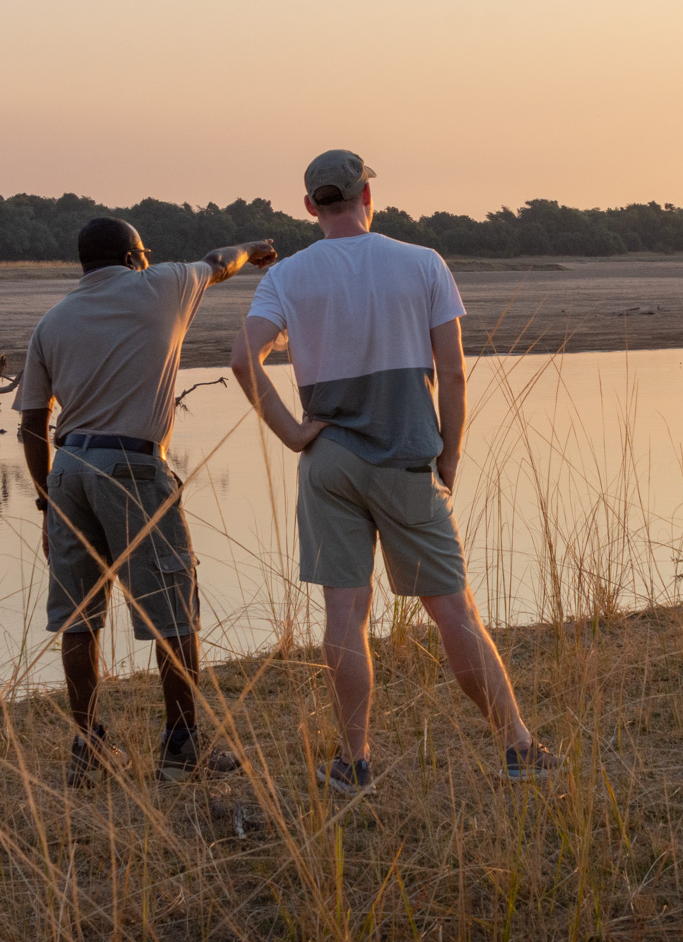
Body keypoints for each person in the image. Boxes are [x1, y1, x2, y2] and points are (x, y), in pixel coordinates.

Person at [230, 150, 560, 793]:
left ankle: (353, 762)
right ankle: (518, 748)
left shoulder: (287, 277)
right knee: (453, 609)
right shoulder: (422, 262)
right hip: (407, 458)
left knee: (344, 611)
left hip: (328, 461)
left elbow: (245, 359)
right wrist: (450, 456)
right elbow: (454, 374)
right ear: (367, 197)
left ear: (311, 206)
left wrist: (293, 433)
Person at [17, 217, 276, 787]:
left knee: (78, 616)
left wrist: (46, 502)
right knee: (172, 608)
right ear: (135, 257)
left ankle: (89, 746)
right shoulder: (163, 284)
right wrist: (253, 249)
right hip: (133, 468)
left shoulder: (52, 321)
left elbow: (33, 423)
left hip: (68, 470)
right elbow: (218, 261)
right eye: (145, 253)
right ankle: (181, 747)